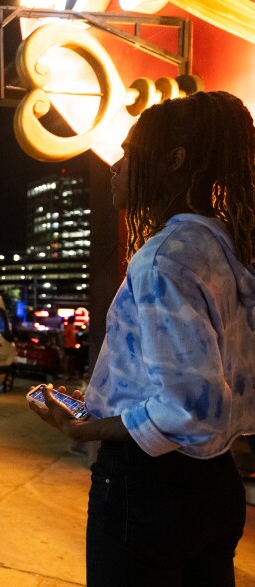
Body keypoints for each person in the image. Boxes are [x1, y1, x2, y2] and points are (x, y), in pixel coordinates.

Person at [29, 91, 255, 585]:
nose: (116, 164)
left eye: (130, 151)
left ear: (175, 160)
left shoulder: (164, 257)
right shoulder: (228, 249)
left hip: (150, 489)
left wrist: (84, 429)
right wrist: (107, 402)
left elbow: (188, 410)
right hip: (217, 486)